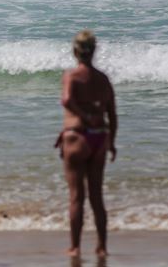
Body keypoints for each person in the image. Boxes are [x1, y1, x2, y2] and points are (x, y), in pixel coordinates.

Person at [56, 30, 118, 259]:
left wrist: (84, 116)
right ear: (95, 51)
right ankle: (102, 247)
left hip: (76, 136)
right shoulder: (103, 79)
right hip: (99, 137)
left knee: (76, 197)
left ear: (75, 51)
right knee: (96, 196)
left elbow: (67, 100)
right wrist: (111, 142)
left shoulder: (71, 76)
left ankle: (75, 247)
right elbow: (112, 113)